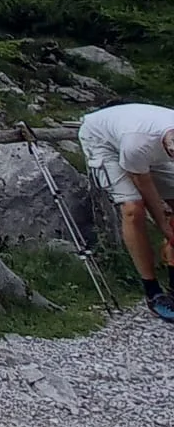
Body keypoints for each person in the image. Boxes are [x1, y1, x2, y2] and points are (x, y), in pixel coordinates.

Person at [78, 103, 174, 320]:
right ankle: (153, 293)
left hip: (143, 136)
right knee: (133, 208)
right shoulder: (137, 145)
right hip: (103, 140)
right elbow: (145, 186)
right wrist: (163, 224)